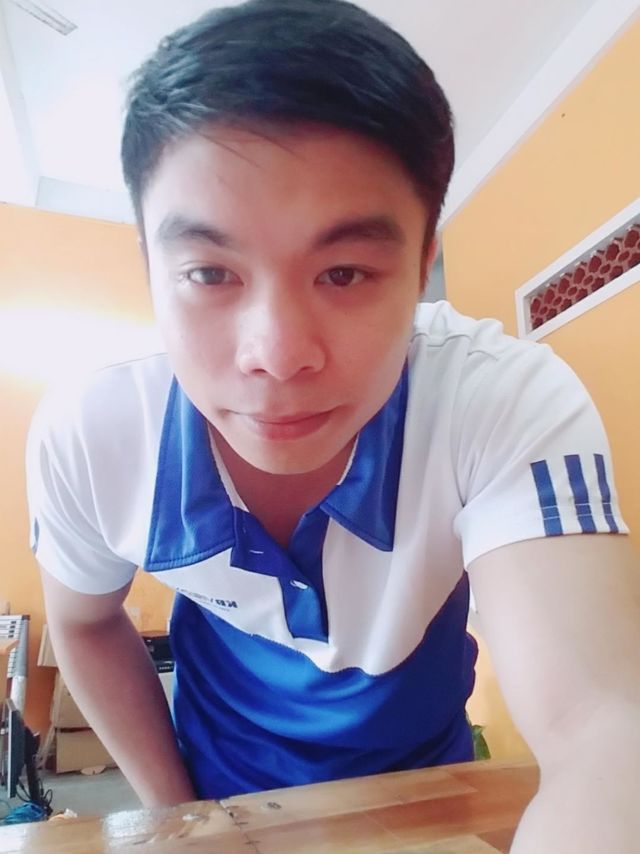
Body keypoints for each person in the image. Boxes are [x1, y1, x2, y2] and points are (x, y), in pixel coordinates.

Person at [27, 0, 640, 849]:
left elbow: (605, 728)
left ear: (422, 264)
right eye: (210, 273)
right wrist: (176, 814)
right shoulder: (95, 436)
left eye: (345, 272)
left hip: (430, 789)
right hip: (217, 791)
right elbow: (85, 621)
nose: (278, 356)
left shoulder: (504, 399)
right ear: (150, 267)